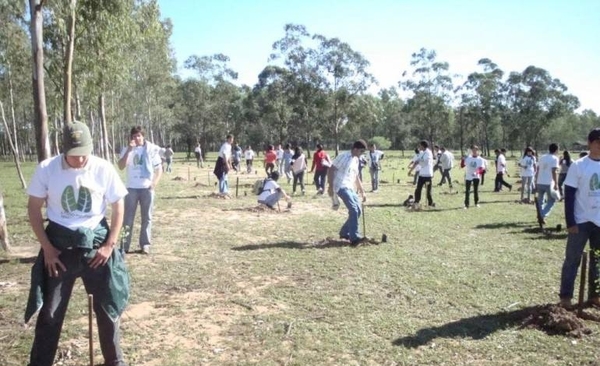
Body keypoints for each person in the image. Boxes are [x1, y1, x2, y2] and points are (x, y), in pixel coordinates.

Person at [25, 121, 129, 366]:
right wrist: (48, 249)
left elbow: (118, 205)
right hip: (60, 252)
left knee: (107, 309)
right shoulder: (46, 169)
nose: (81, 159)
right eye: (75, 155)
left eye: (85, 153)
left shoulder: (103, 168)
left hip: (96, 250)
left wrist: (109, 245)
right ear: (64, 150)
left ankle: (115, 362)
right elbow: (33, 209)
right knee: (50, 314)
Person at [559, 128, 600, 309]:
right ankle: (566, 296)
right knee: (572, 260)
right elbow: (569, 194)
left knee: (597, 260)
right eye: (597, 141)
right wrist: (570, 222)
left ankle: (595, 295)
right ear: (590, 143)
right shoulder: (579, 165)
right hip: (581, 221)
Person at [118, 126, 163, 254]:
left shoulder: (151, 149)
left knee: (147, 217)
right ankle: (124, 246)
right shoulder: (127, 149)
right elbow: (121, 166)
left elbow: (159, 169)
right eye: (134, 136)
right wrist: (129, 151)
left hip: (146, 188)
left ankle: (145, 245)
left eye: (138, 136)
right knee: (127, 218)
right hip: (131, 188)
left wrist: (154, 183)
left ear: (143, 136)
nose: (136, 138)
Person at [327, 140, 368, 246]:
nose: (361, 153)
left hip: (350, 187)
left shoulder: (356, 160)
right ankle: (354, 238)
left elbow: (356, 177)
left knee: (358, 210)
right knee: (353, 209)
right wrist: (330, 186)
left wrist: (362, 191)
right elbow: (331, 170)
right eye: (361, 151)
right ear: (355, 149)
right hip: (341, 186)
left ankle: (344, 232)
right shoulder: (343, 157)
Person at [536, 143, 560, 223]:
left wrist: (536, 180)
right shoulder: (555, 158)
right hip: (549, 182)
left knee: (541, 200)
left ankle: (540, 215)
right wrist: (556, 183)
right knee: (552, 200)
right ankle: (542, 214)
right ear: (556, 150)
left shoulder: (542, 157)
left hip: (540, 181)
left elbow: (538, 169)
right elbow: (554, 171)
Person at [408, 140, 435, 208]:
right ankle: (416, 201)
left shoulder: (428, 153)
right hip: (421, 174)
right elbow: (417, 161)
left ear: (423, 146)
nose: (419, 147)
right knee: (418, 189)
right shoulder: (422, 153)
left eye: (420, 145)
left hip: (427, 174)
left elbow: (426, 162)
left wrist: (419, 162)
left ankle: (430, 203)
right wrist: (411, 170)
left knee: (428, 191)